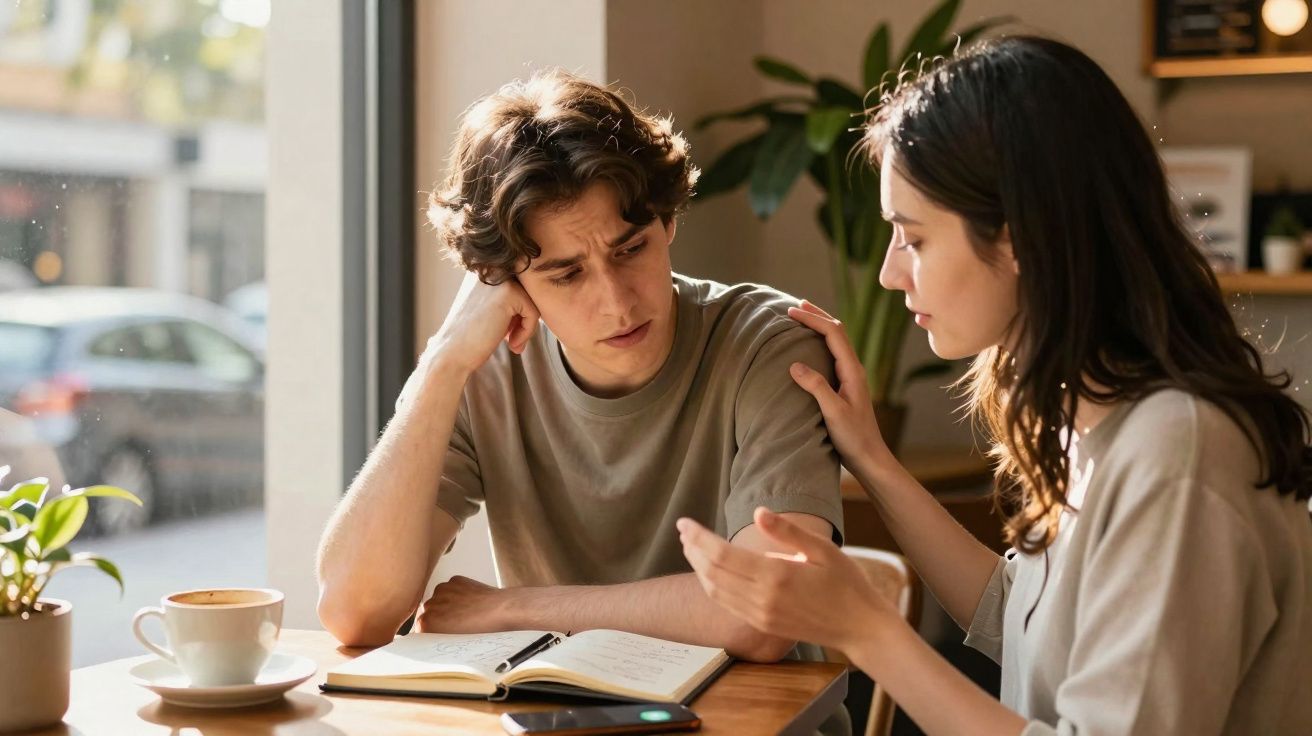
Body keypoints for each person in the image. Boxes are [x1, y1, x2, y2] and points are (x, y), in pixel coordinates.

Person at [677, 36, 1312, 735]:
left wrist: (864, 630)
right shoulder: (1094, 418)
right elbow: (1022, 617)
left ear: (1015, 238)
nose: (891, 273)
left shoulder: (1175, 456)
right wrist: (872, 461)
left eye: (913, 238)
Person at [314, 69, 850, 731]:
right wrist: (442, 363)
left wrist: (513, 608)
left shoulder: (766, 346)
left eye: (632, 249)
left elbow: (769, 612)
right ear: (506, 282)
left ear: (669, 220)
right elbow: (353, 610)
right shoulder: (485, 372)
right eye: (566, 273)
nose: (617, 301)